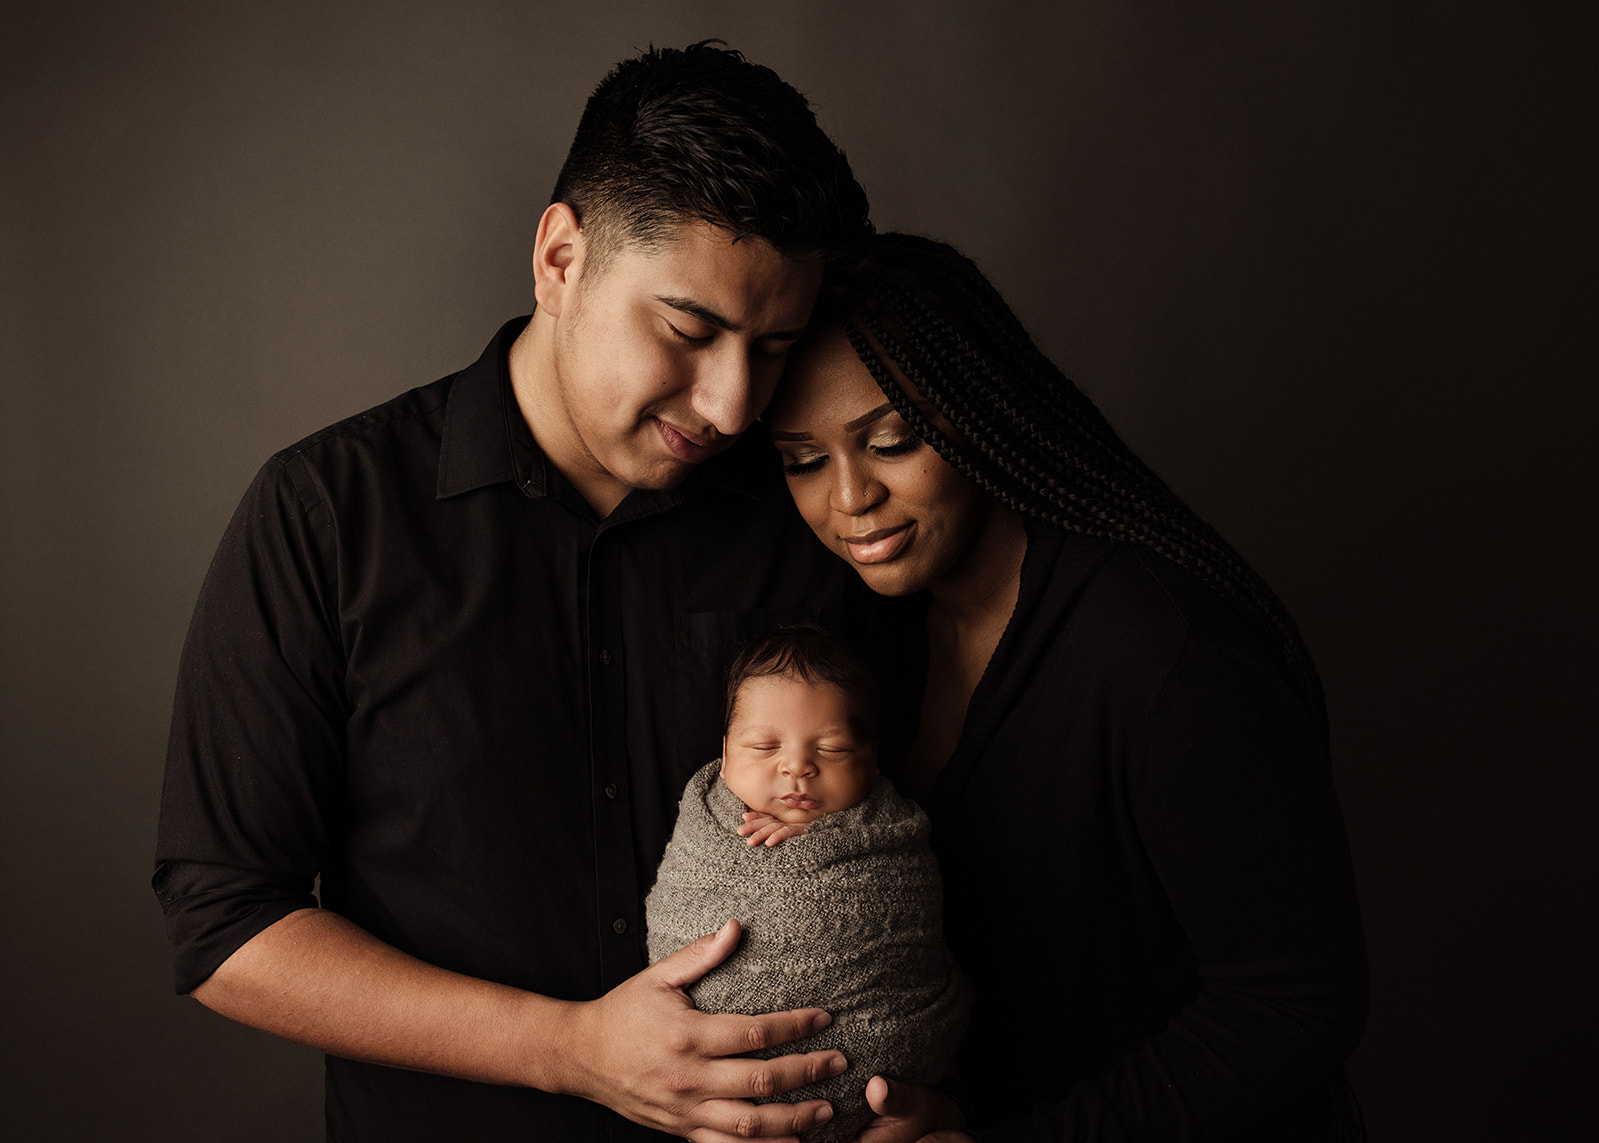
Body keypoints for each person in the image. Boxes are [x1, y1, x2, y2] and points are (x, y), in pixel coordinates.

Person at [153, 42, 878, 1142]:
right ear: (558, 257)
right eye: (689, 330)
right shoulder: (325, 514)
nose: (733, 403)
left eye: (771, 347)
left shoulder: (806, 515)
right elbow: (226, 925)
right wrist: (566, 1051)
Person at [765, 233, 1370, 1142]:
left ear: (980, 407)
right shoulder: (870, 638)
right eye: (803, 459)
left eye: (890, 440)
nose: (849, 496)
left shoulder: (1162, 650)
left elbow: (1296, 1004)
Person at [645, 625, 971, 1143]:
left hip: (885, 1100)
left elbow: (911, 943)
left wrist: (826, 838)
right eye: (764, 745)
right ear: (725, 755)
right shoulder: (705, 828)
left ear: (873, 763)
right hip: (720, 1102)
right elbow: (677, 916)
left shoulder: (892, 838)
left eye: (834, 749)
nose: (797, 766)